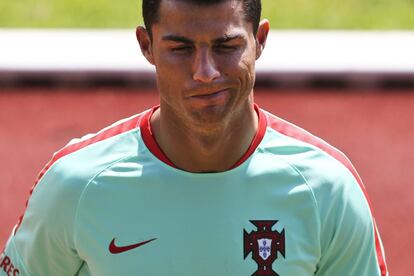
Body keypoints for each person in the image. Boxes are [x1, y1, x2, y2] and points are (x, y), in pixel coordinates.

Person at [1, 0, 387, 275]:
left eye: (226, 46)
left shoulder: (329, 189)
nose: (205, 71)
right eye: (180, 48)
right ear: (146, 46)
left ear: (261, 40)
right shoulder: (76, 185)